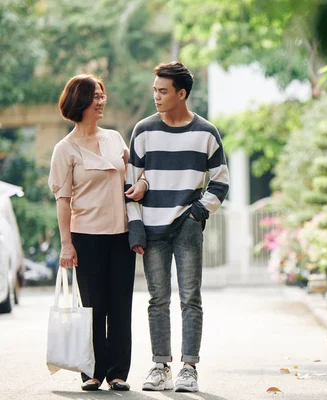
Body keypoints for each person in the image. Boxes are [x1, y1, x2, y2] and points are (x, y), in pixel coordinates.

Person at [126, 61, 229, 393]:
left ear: (181, 93)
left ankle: (189, 367)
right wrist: (136, 227)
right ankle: (160, 365)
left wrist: (197, 214)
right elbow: (130, 185)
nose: (156, 96)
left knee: (190, 298)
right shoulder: (143, 131)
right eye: (154, 90)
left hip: (186, 226)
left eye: (163, 91)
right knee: (157, 299)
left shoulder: (206, 132)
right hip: (152, 228)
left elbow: (221, 182)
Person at [48, 75, 148, 391]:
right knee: (92, 305)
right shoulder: (65, 149)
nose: (101, 101)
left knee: (120, 305)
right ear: (80, 102)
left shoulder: (116, 139)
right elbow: (63, 202)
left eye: (103, 94)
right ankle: (91, 371)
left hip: (120, 235)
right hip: (85, 236)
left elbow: (136, 176)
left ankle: (118, 372)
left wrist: (141, 186)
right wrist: (66, 244)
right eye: (95, 96)